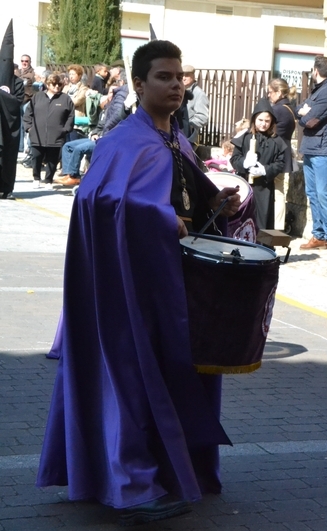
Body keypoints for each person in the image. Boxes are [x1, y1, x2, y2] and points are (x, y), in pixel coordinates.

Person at [36, 39, 241, 526]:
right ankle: (130, 485)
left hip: (176, 284)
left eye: (179, 77)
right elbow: (98, 202)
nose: (175, 86)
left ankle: (174, 470)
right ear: (138, 83)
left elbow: (185, 195)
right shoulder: (123, 141)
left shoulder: (177, 139)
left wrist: (215, 204)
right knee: (129, 378)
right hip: (130, 287)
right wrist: (161, 218)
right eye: (163, 77)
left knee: (177, 376)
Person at [297, 55, 327, 256]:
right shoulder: (318, 90)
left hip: (324, 149)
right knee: (312, 193)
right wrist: (303, 112)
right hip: (310, 147)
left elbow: (310, 120)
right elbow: (299, 109)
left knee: (323, 192)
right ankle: (319, 235)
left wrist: (304, 114)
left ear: (315, 71)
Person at [230, 98, 287, 230]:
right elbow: (234, 159)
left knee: (262, 222)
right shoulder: (245, 137)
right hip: (245, 185)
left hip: (264, 188)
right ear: (254, 119)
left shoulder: (276, 141)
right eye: (260, 120)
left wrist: (265, 170)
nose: (263, 124)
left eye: (267, 121)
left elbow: (280, 163)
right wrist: (244, 163)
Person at [23, 72, 74, 190]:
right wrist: (29, 128)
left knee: (52, 160)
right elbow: (28, 113)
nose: (57, 86)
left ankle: (48, 180)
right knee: (36, 157)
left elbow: (71, 116)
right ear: (48, 84)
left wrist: (65, 130)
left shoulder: (65, 99)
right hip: (37, 135)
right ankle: (36, 178)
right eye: (54, 84)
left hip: (56, 136)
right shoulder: (37, 97)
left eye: (59, 84)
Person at [265, 77, 297, 231]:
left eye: (270, 92)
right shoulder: (289, 108)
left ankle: (273, 226)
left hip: (273, 155)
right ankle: (277, 227)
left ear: (278, 92)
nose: (268, 95)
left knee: (275, 192)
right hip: (284, 153)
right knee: (279, 191)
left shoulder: (277, 110)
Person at [0, 21, 25, 199]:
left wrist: (2, 95)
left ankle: (7, 188)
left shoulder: (18, 83)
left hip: (10, 127)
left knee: (9, 158)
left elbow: (17, 102)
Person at [181, 65, 209, 144]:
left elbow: (202, 117)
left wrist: (187, 125)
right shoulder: (179, 90)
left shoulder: (199, 94)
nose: (184, 78)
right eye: (182, 75)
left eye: (187, 75)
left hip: (189, 138)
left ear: (193, 76)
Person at [62, 64, 89, 140]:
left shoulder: (83, 88)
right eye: (70, 74)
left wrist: (65, 101)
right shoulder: (66, 87)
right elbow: (61, 100)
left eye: (73, 74)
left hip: (76, 121)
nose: (71, 76)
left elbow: (77, 101)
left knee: (73, 141)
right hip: (64, 119)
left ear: (79, 76)